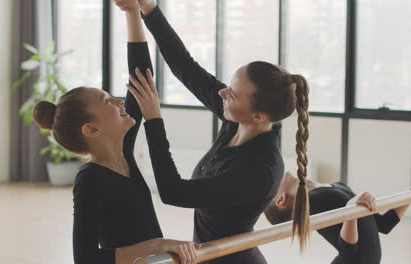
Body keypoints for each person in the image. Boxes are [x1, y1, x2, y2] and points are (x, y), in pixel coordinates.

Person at [114, 0, 313, 263]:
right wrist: (150, 9)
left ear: (259, 116)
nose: (222, 93)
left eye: (232, 94)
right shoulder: (239, 121)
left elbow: (173, 192)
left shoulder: (259, 170)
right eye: (228, 85)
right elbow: (186, 68)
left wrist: (153, 119)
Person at [33, 2, 198, 264]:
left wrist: (132, 12)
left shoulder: (123, 152)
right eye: (107, 101)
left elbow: (140, 77)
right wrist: (157, 245)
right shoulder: (89, 180)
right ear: (91, 129)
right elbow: (86, 258)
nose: (120, 102)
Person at [264, 171, 411, 264]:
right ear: (281, 199)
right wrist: (350, 213)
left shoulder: (329, 187)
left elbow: (383, 224)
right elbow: (347, 250)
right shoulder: (312, 202)